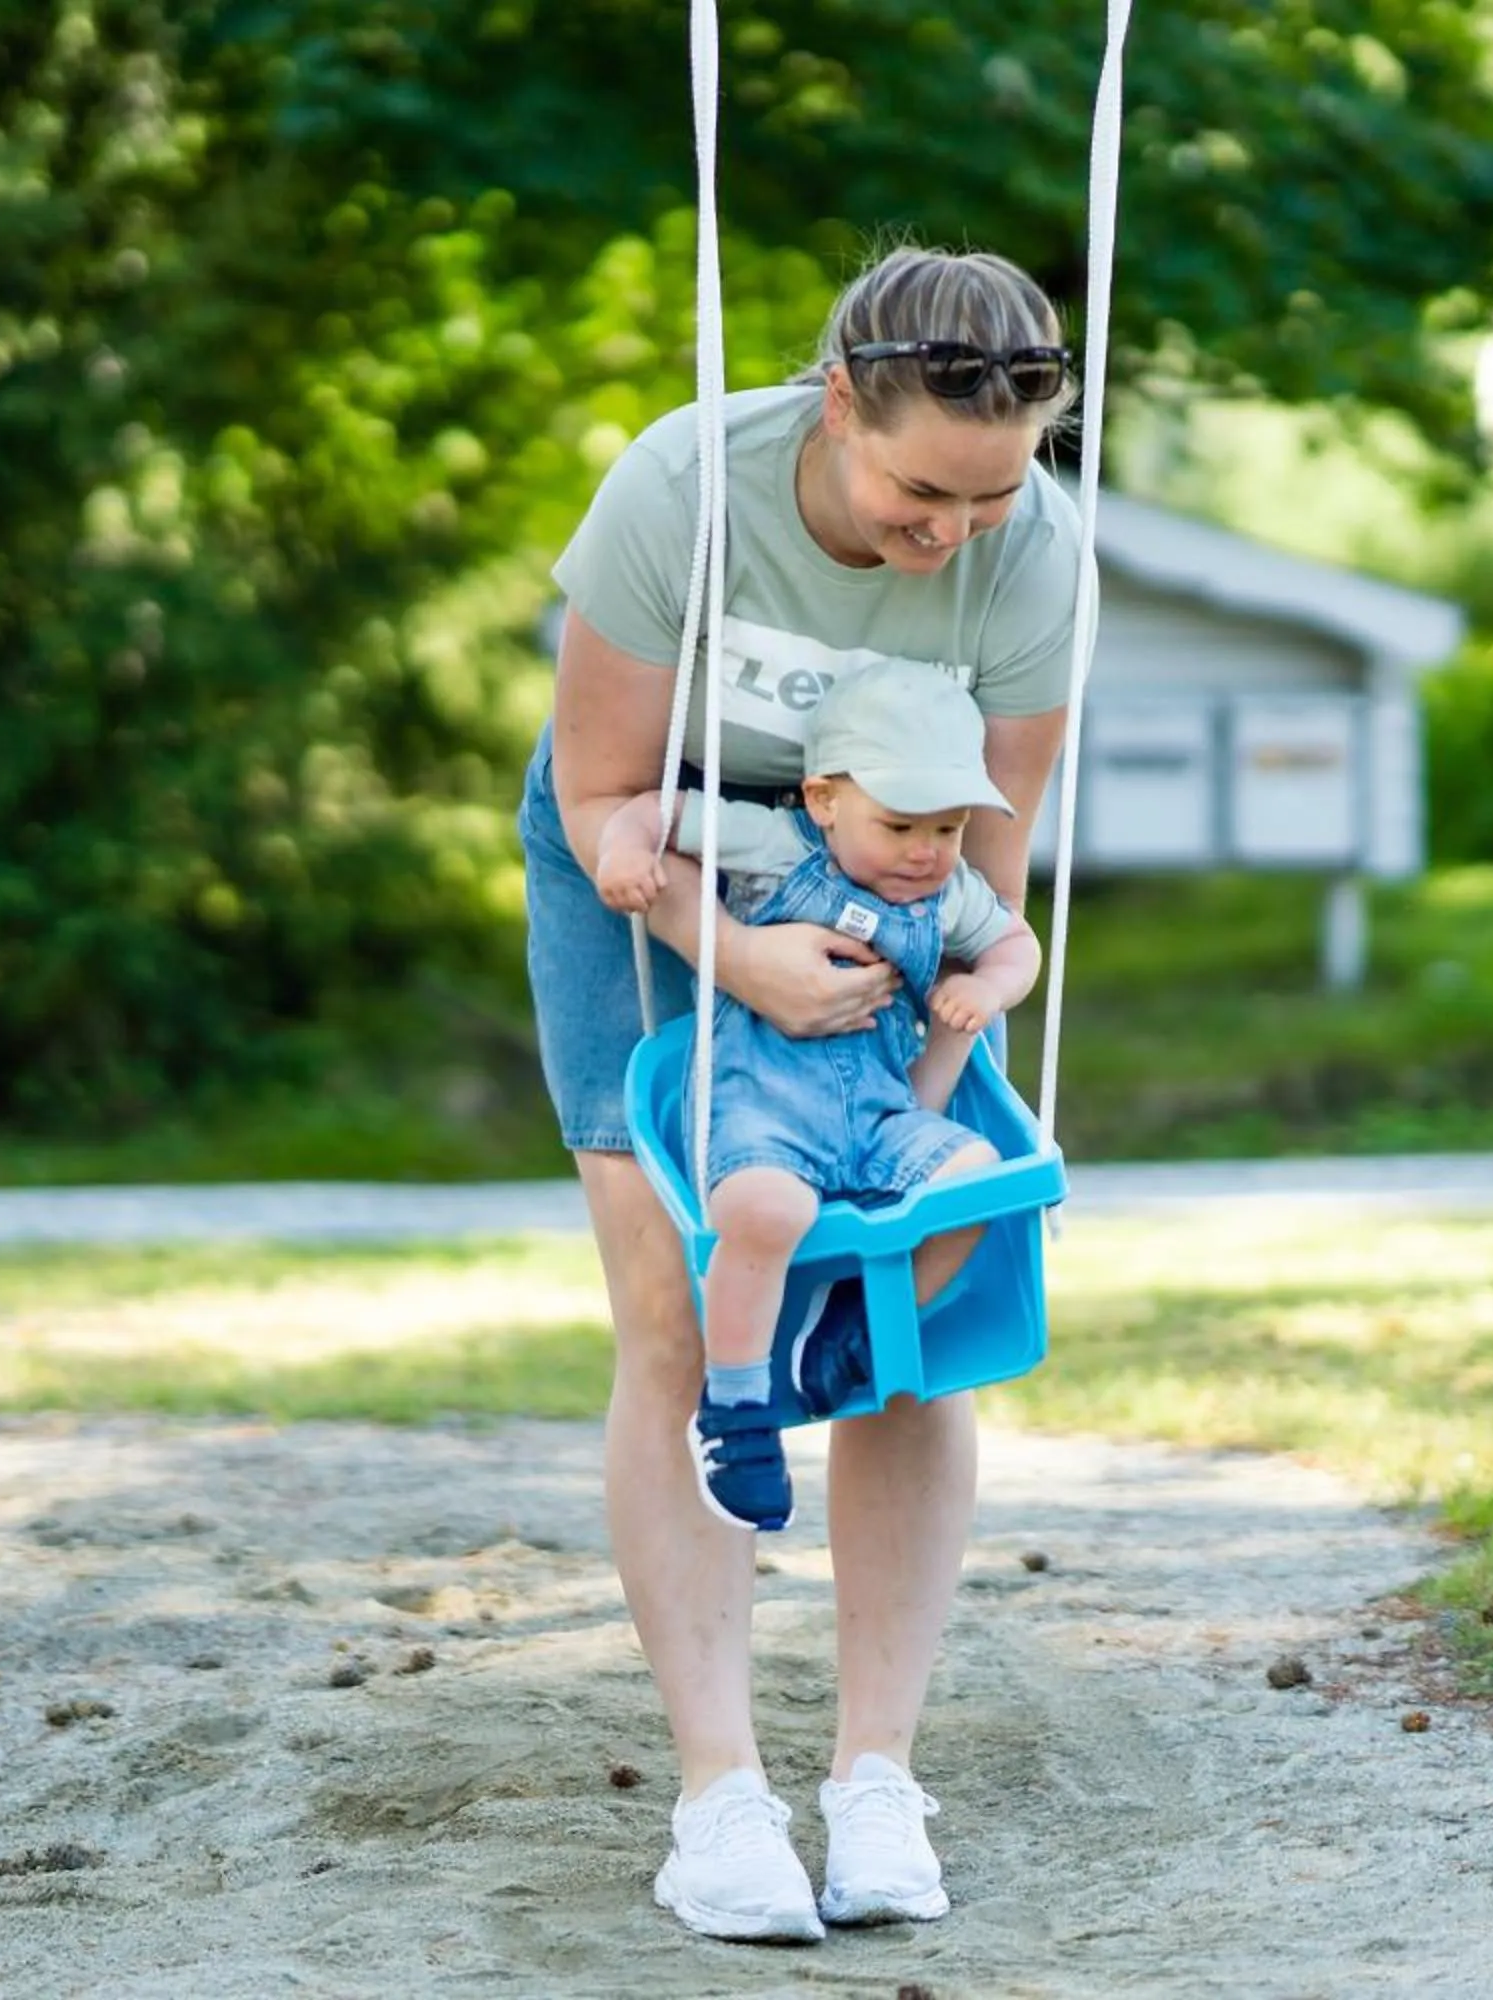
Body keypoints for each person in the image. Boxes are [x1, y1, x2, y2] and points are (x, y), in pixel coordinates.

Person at [518, 243, 1081, 1943]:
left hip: (898, 914)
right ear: (840, 405)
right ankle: (720, 1800)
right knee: (683, 1318)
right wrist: (740, 955)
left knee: (913, 1311)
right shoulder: (685, 486)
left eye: (989, 499)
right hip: (658, 875)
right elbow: (600, 785)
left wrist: (935, 1039)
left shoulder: (1034, 557)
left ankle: (875, 1781)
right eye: (923, 489)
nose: (950, 534)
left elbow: (989, 853)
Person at [591, 659, 1046, 1536]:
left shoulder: (947, 894)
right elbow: (655, 811)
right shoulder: (774, 844)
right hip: (761, 1110)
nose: (925, 850)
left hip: (881, 1115)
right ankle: (737, 1407)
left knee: (976, 1180)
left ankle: (858, 1327)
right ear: (825, 800)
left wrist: (988, 991)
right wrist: (622, 850)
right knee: (764, 1212)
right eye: (901, 823)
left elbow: (1015, 942)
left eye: (948, 828)